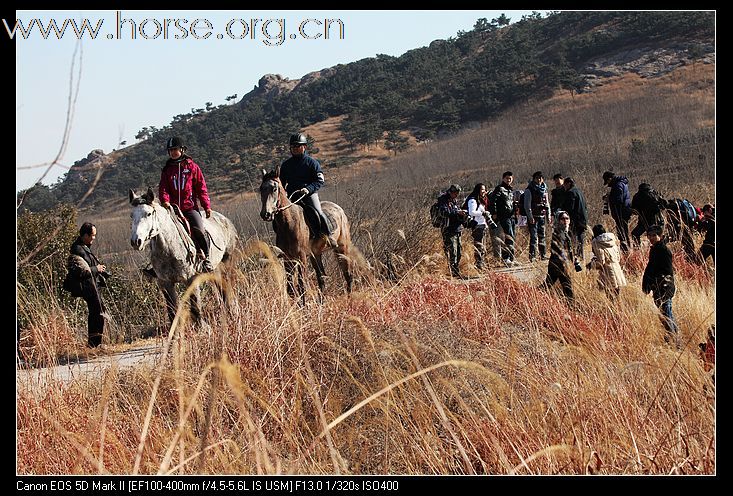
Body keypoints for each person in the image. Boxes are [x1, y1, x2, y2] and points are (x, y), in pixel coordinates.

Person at [159, 137, 214, 272]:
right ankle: (157, 264)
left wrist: (206, 205)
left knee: (199, 229)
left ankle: (206, 258)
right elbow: (163, 188)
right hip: (172, 210)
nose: (172, 152)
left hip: (189, 208)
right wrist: (164, 200)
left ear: (182, 149)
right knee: (158, 231)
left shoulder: (192, 167)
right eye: (170, 150)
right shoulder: (167, 170)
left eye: (175, 150)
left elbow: (201, 188)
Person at [279, 133, 338, 248]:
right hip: (292, 196)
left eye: (298, 146)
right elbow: (281, 183)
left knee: (318, 212)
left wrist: (308, 189)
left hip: (308, 194)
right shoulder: (286, 165)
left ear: (304, 147)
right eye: (293, 146)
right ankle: (282, 241)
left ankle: (328, 235)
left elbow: (319, 180)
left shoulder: (312, 163)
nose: (295, 148)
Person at [70, 222, 109, 348]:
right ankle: (94, 344)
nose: (94, 238)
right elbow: (81, 271)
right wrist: (96, 269)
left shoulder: (84, 247)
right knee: (96, 313)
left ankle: (96, 343)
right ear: (85, 235)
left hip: (93, 285)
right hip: (88, 287)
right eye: (92, 235)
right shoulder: (77, 249)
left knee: (98, 312)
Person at [642, 225, 679, 348]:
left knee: (667, 314)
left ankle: (675, 342)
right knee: (665, 314)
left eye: (654, 235)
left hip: (664, 286)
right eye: (649, 235)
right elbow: (651, 267)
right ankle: (672, 339)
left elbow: (667, 271)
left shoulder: (663, 250)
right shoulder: (655, 249)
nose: (651, 238)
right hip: (658, 286)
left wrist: (655, 280)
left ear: (660, 236)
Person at [540, 211, 578, 301]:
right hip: (558, 265)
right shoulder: (558, 233)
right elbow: (559, 250)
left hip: (559, 264)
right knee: (567, 287)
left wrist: (575, 261)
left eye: (567, 218)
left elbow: (569, 249)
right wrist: (566, 264)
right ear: (558, 220)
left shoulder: (566, 232)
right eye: (562, 219)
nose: (565, 221)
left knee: (548, 285)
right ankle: (572, 307)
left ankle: (533, 294)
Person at [587, 224, 627, 299]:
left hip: (607, 270)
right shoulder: (612, 239)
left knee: (609, 294)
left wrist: (591, 265)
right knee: (617, 291)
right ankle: (618, 307)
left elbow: (601, 261)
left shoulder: (596, 242)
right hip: (616, 267)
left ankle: (612, 308)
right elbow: (618, 257)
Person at [437, 184, 468, 278]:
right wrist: (457, 212)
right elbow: (444, 212)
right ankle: (453, 272)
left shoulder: (454, 201)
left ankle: (456, 270)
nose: (456, 195)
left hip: (457, 228)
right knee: (452, 252)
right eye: (455, 193)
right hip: (448, 229)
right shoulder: (443, 200)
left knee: (458, 252)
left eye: (457, 193)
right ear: (451, 192)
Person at [488, 171, 518, 266]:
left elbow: (510, 203)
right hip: (504, 216)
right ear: (503, 179)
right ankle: (506, 258)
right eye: (507, 178)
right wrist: (494, 213)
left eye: (510, 178)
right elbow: (493, 201)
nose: (509, 180)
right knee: (508, 237)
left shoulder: (510, 190)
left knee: (512, 237)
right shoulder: (500, 189)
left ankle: (511, 258)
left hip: (511, 216)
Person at [523, 171, 550, 262]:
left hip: (542, 216)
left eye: (541, 178)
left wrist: (548, 215)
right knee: (534, 237)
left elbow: (547, 203)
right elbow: (527, 205)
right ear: (534, 179)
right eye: (537, 178)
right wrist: (530, 217)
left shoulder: (544, 189)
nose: (539, 180)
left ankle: (543, 254)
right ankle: (532, 256)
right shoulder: (529, 190)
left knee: (542, 236)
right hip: (533, 217)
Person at [603, 171, 632, 253]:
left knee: (622, 233)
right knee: (624, 232)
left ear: (609, 179)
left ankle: (625, 251)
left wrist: (609, 198)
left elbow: (618, 200)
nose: (607, 183)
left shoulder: (617, 185)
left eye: (607, 181)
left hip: (621, 213)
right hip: (624, 212)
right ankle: (627, 249)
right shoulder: (621, 183)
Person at [464, 183, 492, 270]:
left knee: (482, 246)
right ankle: (479, 264)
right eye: (482, 189)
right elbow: (472, 212)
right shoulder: (473, 200)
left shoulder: (481, 200)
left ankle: (481, 263)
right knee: (479, 246)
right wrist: (483, 213)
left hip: (483, 225)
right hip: (477, 225)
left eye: (484, 189)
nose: (483, 191)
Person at [562, 176, 588, 263]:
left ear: (568, 184)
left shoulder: (571, 193)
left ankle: (574, 257)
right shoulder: (579, 191)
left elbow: (570, 208)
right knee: (581, 238)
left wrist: (566, 216)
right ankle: (581, 256)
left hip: (575, 220)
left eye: (565, 185)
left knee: (572, 238)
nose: (564, 187)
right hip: (583, 218)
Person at [630, 183, 665, 247]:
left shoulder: (637, 196)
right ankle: (661, 249)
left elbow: (634, 210)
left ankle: (637, 249)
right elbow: (663, 206)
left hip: (643, 221)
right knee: (657, 237)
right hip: (657, 220)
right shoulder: (655, 193)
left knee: (635, 234)